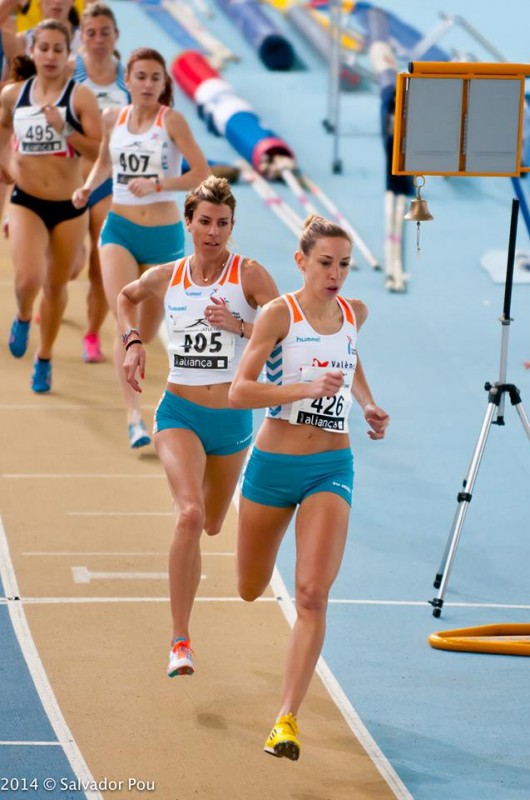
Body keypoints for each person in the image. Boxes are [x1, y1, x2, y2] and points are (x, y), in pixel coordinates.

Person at [228, 215, 390, 761]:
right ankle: (284, 710)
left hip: (331, 466)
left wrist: (366, 403)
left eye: (344, 264)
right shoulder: (279, 314)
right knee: (249, 587)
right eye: (326, 262)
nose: (336, 274)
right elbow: (240, 391)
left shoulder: (354, 313)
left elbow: (349, 356)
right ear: (302, 262)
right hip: (273, 467)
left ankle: (285, 720)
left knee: (312, 594)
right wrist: (301, 386)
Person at [116, 175, 280, 678]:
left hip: (232, 421)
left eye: (223, 223)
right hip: (179, 412)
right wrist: (132, 341)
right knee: (189, 515)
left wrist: (241, 327)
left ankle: (197, 507)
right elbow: (125, 297)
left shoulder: (249, 275)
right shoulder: (168, 276)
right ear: (188, 223)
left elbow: (289, 335)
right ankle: (180, 641)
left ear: (232, 226)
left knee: (211, 522)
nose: (214, 232)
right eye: (205, 222)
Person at [72, 47, 209, 448]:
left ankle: (149, 389)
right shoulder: (113, 117)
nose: (148, 84)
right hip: (120, 230)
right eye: (141, 76)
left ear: (164, 84)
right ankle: (134, 417)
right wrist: (86, 187)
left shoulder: (173, 122)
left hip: (164, 236)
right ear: (127, 81)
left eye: (155, 78)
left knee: (147, 331)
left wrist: (160, 185)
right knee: (126, 323)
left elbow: (201, 173)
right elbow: (103, 163)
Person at [0, 19, 101, 392]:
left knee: (56, 287)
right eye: (44, 48)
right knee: (28, 279)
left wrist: (65, 129)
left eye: (59, 49)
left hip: (68, 206)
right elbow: (3, 129)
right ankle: (24, 316)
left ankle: (44, 358)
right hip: (26, 200)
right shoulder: (13, 95)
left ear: (68, 53)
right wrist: (7, 164)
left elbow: (99, 150)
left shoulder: (80, 98)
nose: (50, 56)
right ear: (33, 51)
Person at [70, 1, 129, 363]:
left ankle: (91, 333)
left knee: (98, 262)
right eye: (91, 33)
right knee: (67, 264)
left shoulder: (129, 80)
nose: (98, 40)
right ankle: (53, 289)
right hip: (69, 181)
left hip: (109, 181)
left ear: (116, 36)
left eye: (105, 33)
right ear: (81, 38)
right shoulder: (69, 75)